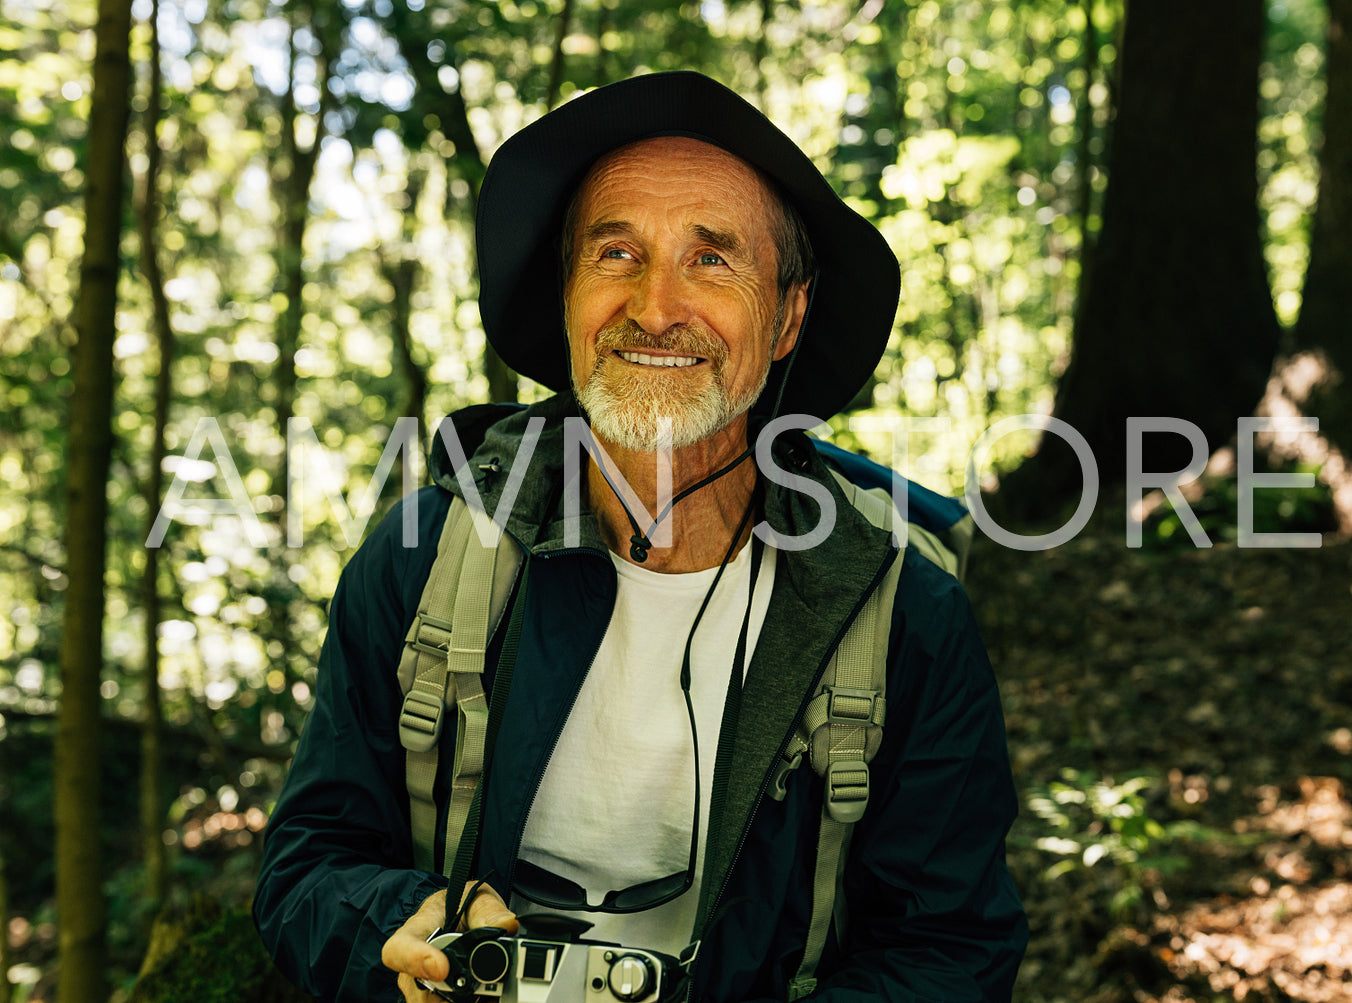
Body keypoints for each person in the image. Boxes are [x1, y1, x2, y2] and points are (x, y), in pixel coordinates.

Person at [253, 71, 1026, 1002]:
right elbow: (309, 861)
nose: (655, 307)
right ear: (568, 293)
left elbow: (949, 944)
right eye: (615, 253)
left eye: (712, 261)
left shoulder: (904, 614)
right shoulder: (429, 559)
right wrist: (393, 926)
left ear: (786, 316)